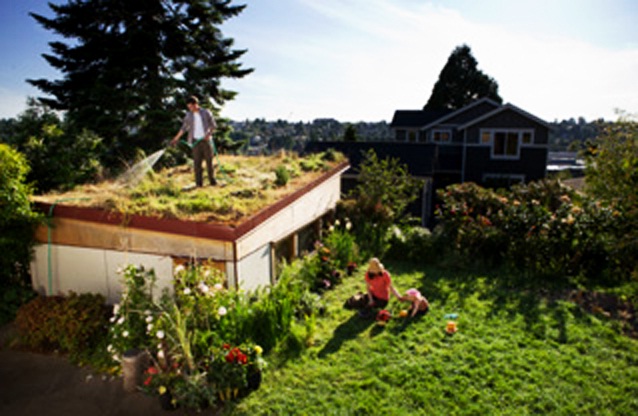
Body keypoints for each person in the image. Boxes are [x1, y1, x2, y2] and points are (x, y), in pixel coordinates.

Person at [170, 96, 217, 187]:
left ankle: (212, 182)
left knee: (209, 162)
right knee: (197, 164)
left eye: (191, 106)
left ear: (196, 104)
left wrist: (208, 134)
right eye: (189, 107)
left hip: (206, 141)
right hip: (195, 141)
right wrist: (176, 138)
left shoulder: (206, 112)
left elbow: (213, 125)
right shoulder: (188, 115)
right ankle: (199, 184)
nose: (190, 109)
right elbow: (184, 128)